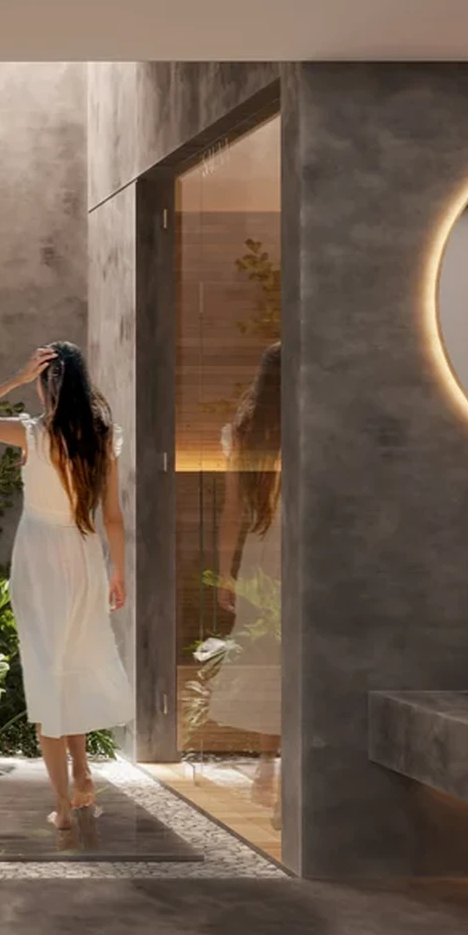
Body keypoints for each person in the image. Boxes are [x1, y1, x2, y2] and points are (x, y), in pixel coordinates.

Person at [0, 341, 134, 830]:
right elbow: (114, 517)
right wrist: (118, 571)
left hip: (39, 561)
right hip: (83, 558)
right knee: (71, 664)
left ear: (44, 384)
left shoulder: (32, 434)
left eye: (36, 381)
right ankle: (81, 774)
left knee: (46, 670)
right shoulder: (103, 437)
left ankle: (61, 806)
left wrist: (14, 377)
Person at [206, 341, 283, 825]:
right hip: (304, 550)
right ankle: (280, 777)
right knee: (293, 661)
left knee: (266, 657)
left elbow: (233, 511)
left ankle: (266, 767)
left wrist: (226, 571)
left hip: (261, 553)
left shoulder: (245, 432)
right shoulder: (315, 425)